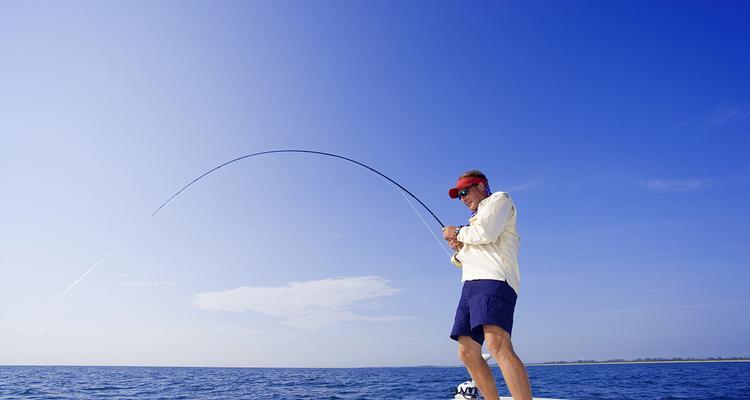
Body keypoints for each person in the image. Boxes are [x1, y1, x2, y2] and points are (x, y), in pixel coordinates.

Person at [442, 170, 532, 400]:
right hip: (470, 285)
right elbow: (463, 258)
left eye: (465, 191)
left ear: (481, 186)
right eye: (459, 195)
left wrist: (458, 232)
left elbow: (486, 232)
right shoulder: (474, 223)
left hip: (494, 280)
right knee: (466, 351)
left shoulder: (499, 200)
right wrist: (459, 248)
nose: (462, 198)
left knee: (497, 343)